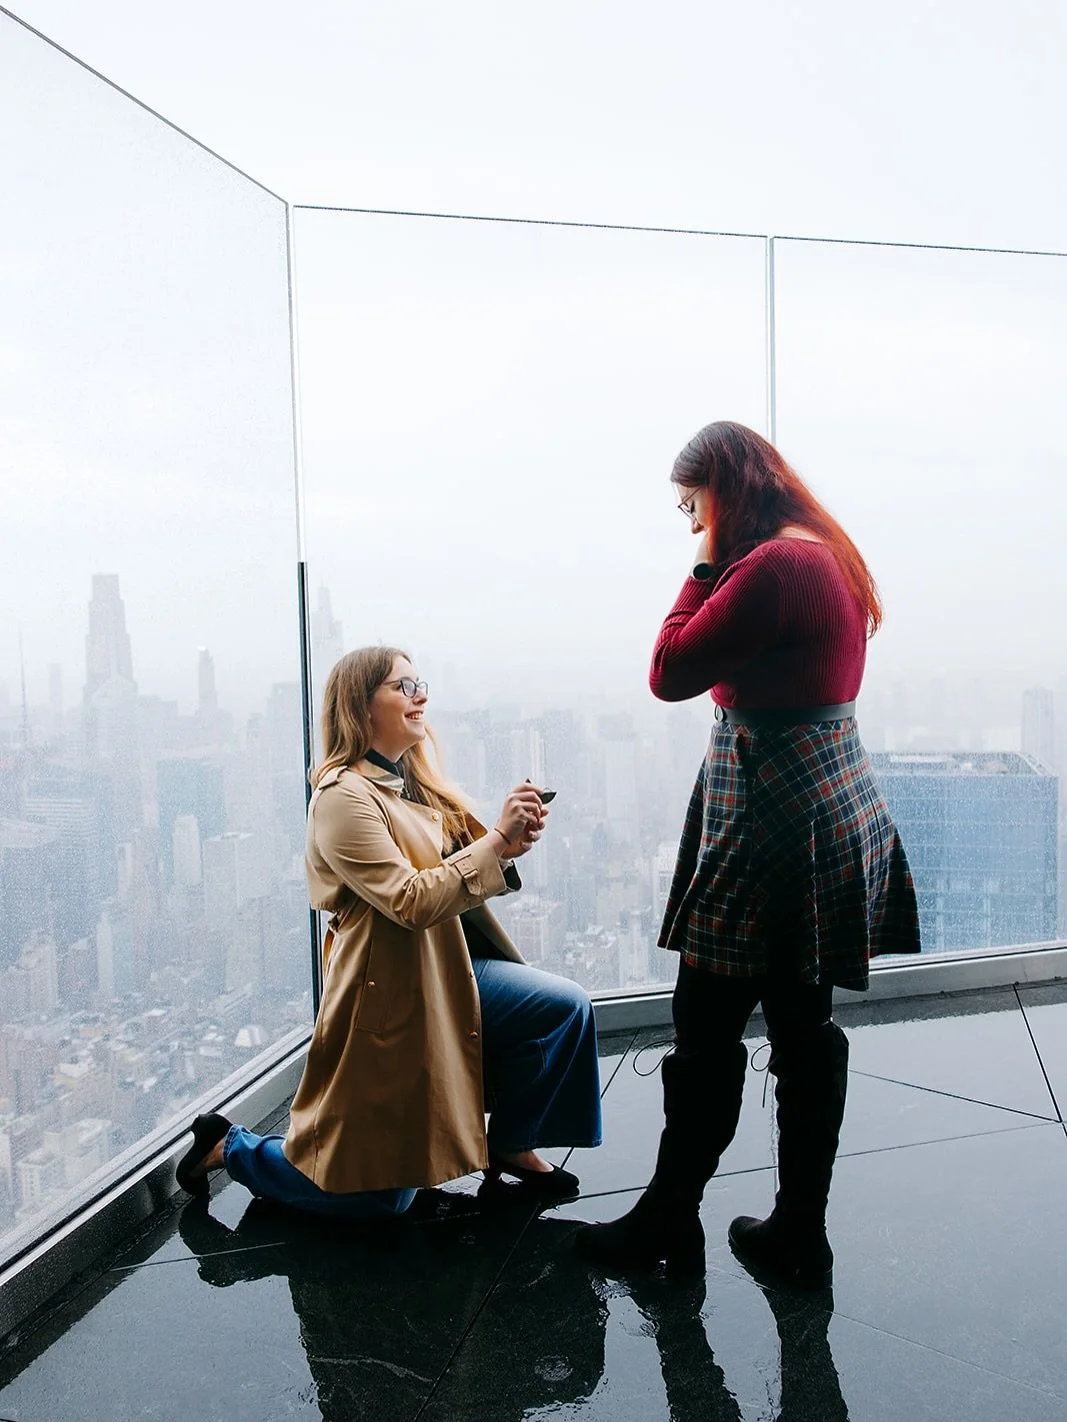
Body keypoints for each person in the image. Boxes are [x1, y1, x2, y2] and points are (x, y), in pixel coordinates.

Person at [577, 420, 920, 1287]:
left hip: (772, 809)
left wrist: (698, 568)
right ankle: (799, 1229)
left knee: (705, 1027)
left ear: (724, 491)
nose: (690, 524)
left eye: (693, 507)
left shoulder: (771, 566)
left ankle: (667, 1214)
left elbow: (668, 668)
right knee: (803, 1031)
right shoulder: (822, 550)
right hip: (819, 797)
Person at [177, 646, 602, 1214]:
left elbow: (457, 878)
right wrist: (496, 843)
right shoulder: (341, 798)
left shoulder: (411, 786)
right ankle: (233, 1147)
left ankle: (509, 1144)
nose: (420, 695)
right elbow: (408, 900)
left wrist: (508, 845)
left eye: (419, 683)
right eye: (403, 687)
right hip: (390, 993)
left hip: (447, 966)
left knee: (563, 1008)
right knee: (380, 1201)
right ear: (360, 706)